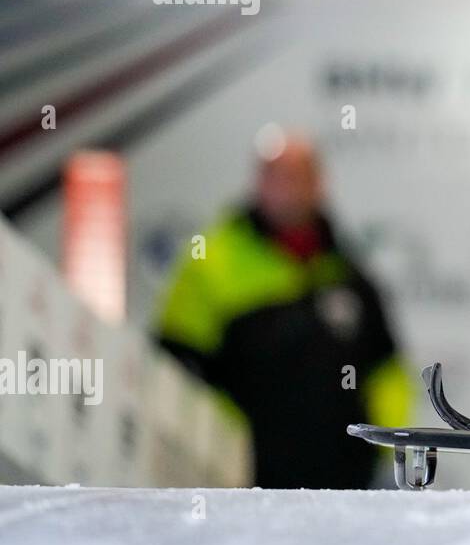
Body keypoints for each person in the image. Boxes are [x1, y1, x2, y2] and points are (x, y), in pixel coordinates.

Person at [155, 131, 413, 488]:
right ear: (257, 183)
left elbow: (387, 370)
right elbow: (176, 369)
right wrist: (225, 444)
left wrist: (378, 448)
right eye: (273, 176)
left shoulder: (348, 273)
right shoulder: (209, 263)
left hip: (343, 488)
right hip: (238, 483)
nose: (284, 188)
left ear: (318, 184)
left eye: (296, 176)